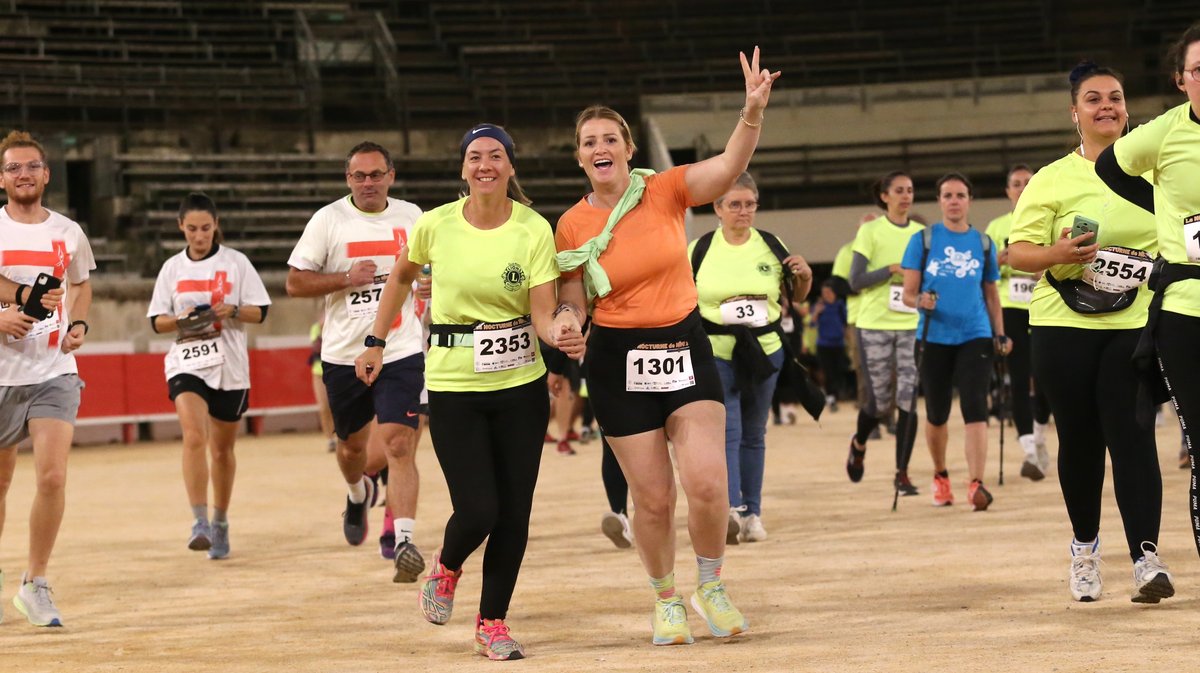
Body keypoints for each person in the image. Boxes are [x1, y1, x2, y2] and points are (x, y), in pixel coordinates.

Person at [555, 48, 779, 646]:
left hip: (682, 344)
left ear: (628, 149)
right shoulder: (571, 225)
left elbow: (729, 168)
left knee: (708, 483)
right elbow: (574, 297)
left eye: (610, 137)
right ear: (580, 157)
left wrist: (751, 110)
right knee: (651, 499)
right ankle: (665, 599)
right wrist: (568, 322)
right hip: (616, 360)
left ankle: (711, 585)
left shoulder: (666, 191)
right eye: (588, 141)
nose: (599, 147)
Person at [357, 123, 584, 661]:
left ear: (510, 166)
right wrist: (375, 341)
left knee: (515, 513)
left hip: (521, 386)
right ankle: (447, 566)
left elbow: (542, 312)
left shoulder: (533, 229)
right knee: (479, 508)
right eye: (476, 156)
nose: (485, 164)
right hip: (455, 384)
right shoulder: (434, 225)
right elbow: (398, 279)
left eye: (496, 156)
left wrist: (564, 332)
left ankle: (492, 623)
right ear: (463, 168)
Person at [1008, 62, 1173, 604]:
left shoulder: (1155, 174)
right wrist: (1057, 254)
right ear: (1074, 112)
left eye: (1116, 98)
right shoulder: (1052, 178)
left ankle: (1147, 559)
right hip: (1062, 326)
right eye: (1093, 98)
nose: (1107, 106)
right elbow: (1016, 254)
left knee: (1133, 438)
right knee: (1079, 442)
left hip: (1134, 324)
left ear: (1127, 110)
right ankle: (1084, 552)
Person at [285, 141, 427, 582]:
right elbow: (294, 283)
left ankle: (404, 539)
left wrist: (428, 286)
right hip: (344, 353)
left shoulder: (413, 217)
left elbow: (431, 270)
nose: (368, 182)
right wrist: (347, 278)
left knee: (400, 442)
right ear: (348, 179)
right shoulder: (328, 220)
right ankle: (356, 490)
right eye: (359, 176)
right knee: (351, 450)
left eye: (376, 174)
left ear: (392, 176)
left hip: (400, 347)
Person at [1097, 22, 1200, 561]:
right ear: (1181, 79)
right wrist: (1159, 204)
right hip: (1185, 310)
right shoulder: (1165, 132)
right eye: (1199, 69)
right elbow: (1111, 166)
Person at [0, 130, 95, 627]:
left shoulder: (68, 231)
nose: (23, 174)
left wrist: (77, 323)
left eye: (31, 166)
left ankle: (35, 582)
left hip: (54, 369)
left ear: (46, 173)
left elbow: (81, 283)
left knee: (53, 475)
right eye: (14, 167)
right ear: (1, 178)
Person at [690, 171, 811, 544]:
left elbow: (799, 295)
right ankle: (730, 509)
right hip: (717, 352)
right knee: (728, 430)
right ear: (717, 208)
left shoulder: (772, 245)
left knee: (754, 433)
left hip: (765, 351)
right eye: (735, 205)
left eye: (749, 205)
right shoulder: (699, 248)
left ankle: (752, 513)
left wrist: (804, 276)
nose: (743, 212)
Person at [147, 193, 270, 559]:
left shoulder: (236, 263)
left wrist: (232, 310)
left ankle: (220, 520)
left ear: (215, 225)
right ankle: (198, 520)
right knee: (194, 435)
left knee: (222, 449)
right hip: (186, 361)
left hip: (230, 365)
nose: (199, 235)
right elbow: (157, 321)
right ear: (180, 228)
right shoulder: (172, 268)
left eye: (205, 228)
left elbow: (261, 312)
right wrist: (184, 321)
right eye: (191, 229)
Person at [901, 173, 1009, 510]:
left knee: (976, 406)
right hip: (934, 335)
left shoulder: (983, 242)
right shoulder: (924, 240)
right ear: (939, 201)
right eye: (947, 195)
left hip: (975, 334)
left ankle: (976, 482)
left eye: (960, 195)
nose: (954, 201)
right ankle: (940, 474)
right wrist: (921, 301)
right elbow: (907, 294)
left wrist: (999, 333)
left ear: (969, 200)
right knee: (937, 412)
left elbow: (991, 293)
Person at [848, 172, 924, 495]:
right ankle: (859, 442)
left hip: (911, 324)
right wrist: (892, 270)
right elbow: (855, 281)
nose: (905, 196)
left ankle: (902, 473)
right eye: (898, 191)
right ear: (884, 196)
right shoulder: (870, 231)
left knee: (908, 397)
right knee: (879, 403)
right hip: (875, 323)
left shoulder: (923, 234)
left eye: (909, 190)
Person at [984, 165, 1055, 479]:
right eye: (1016, 184)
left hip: (1046, 306)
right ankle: (1028, 447)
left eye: (1028, 182)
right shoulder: (997, 227)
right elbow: (984, 274)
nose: (1023, 187)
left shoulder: (1049, 218)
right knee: (1018, 373)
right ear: (1007, 191)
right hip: (1010, 307)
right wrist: (999, 261)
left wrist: (1039, 265)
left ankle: (1039, 436)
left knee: (1045, 378)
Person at [811, 280, 848, 413]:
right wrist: (816, 312)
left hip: (838, 343)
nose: (826, 295)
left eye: (828, 292)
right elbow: (812, 324)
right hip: (823, 344)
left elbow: (846, 322)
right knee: (827, 371)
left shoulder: (839, 305)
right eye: (823, 293)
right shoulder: (819, 306)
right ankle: (831, 397)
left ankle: (836, 394)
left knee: (839, 370)